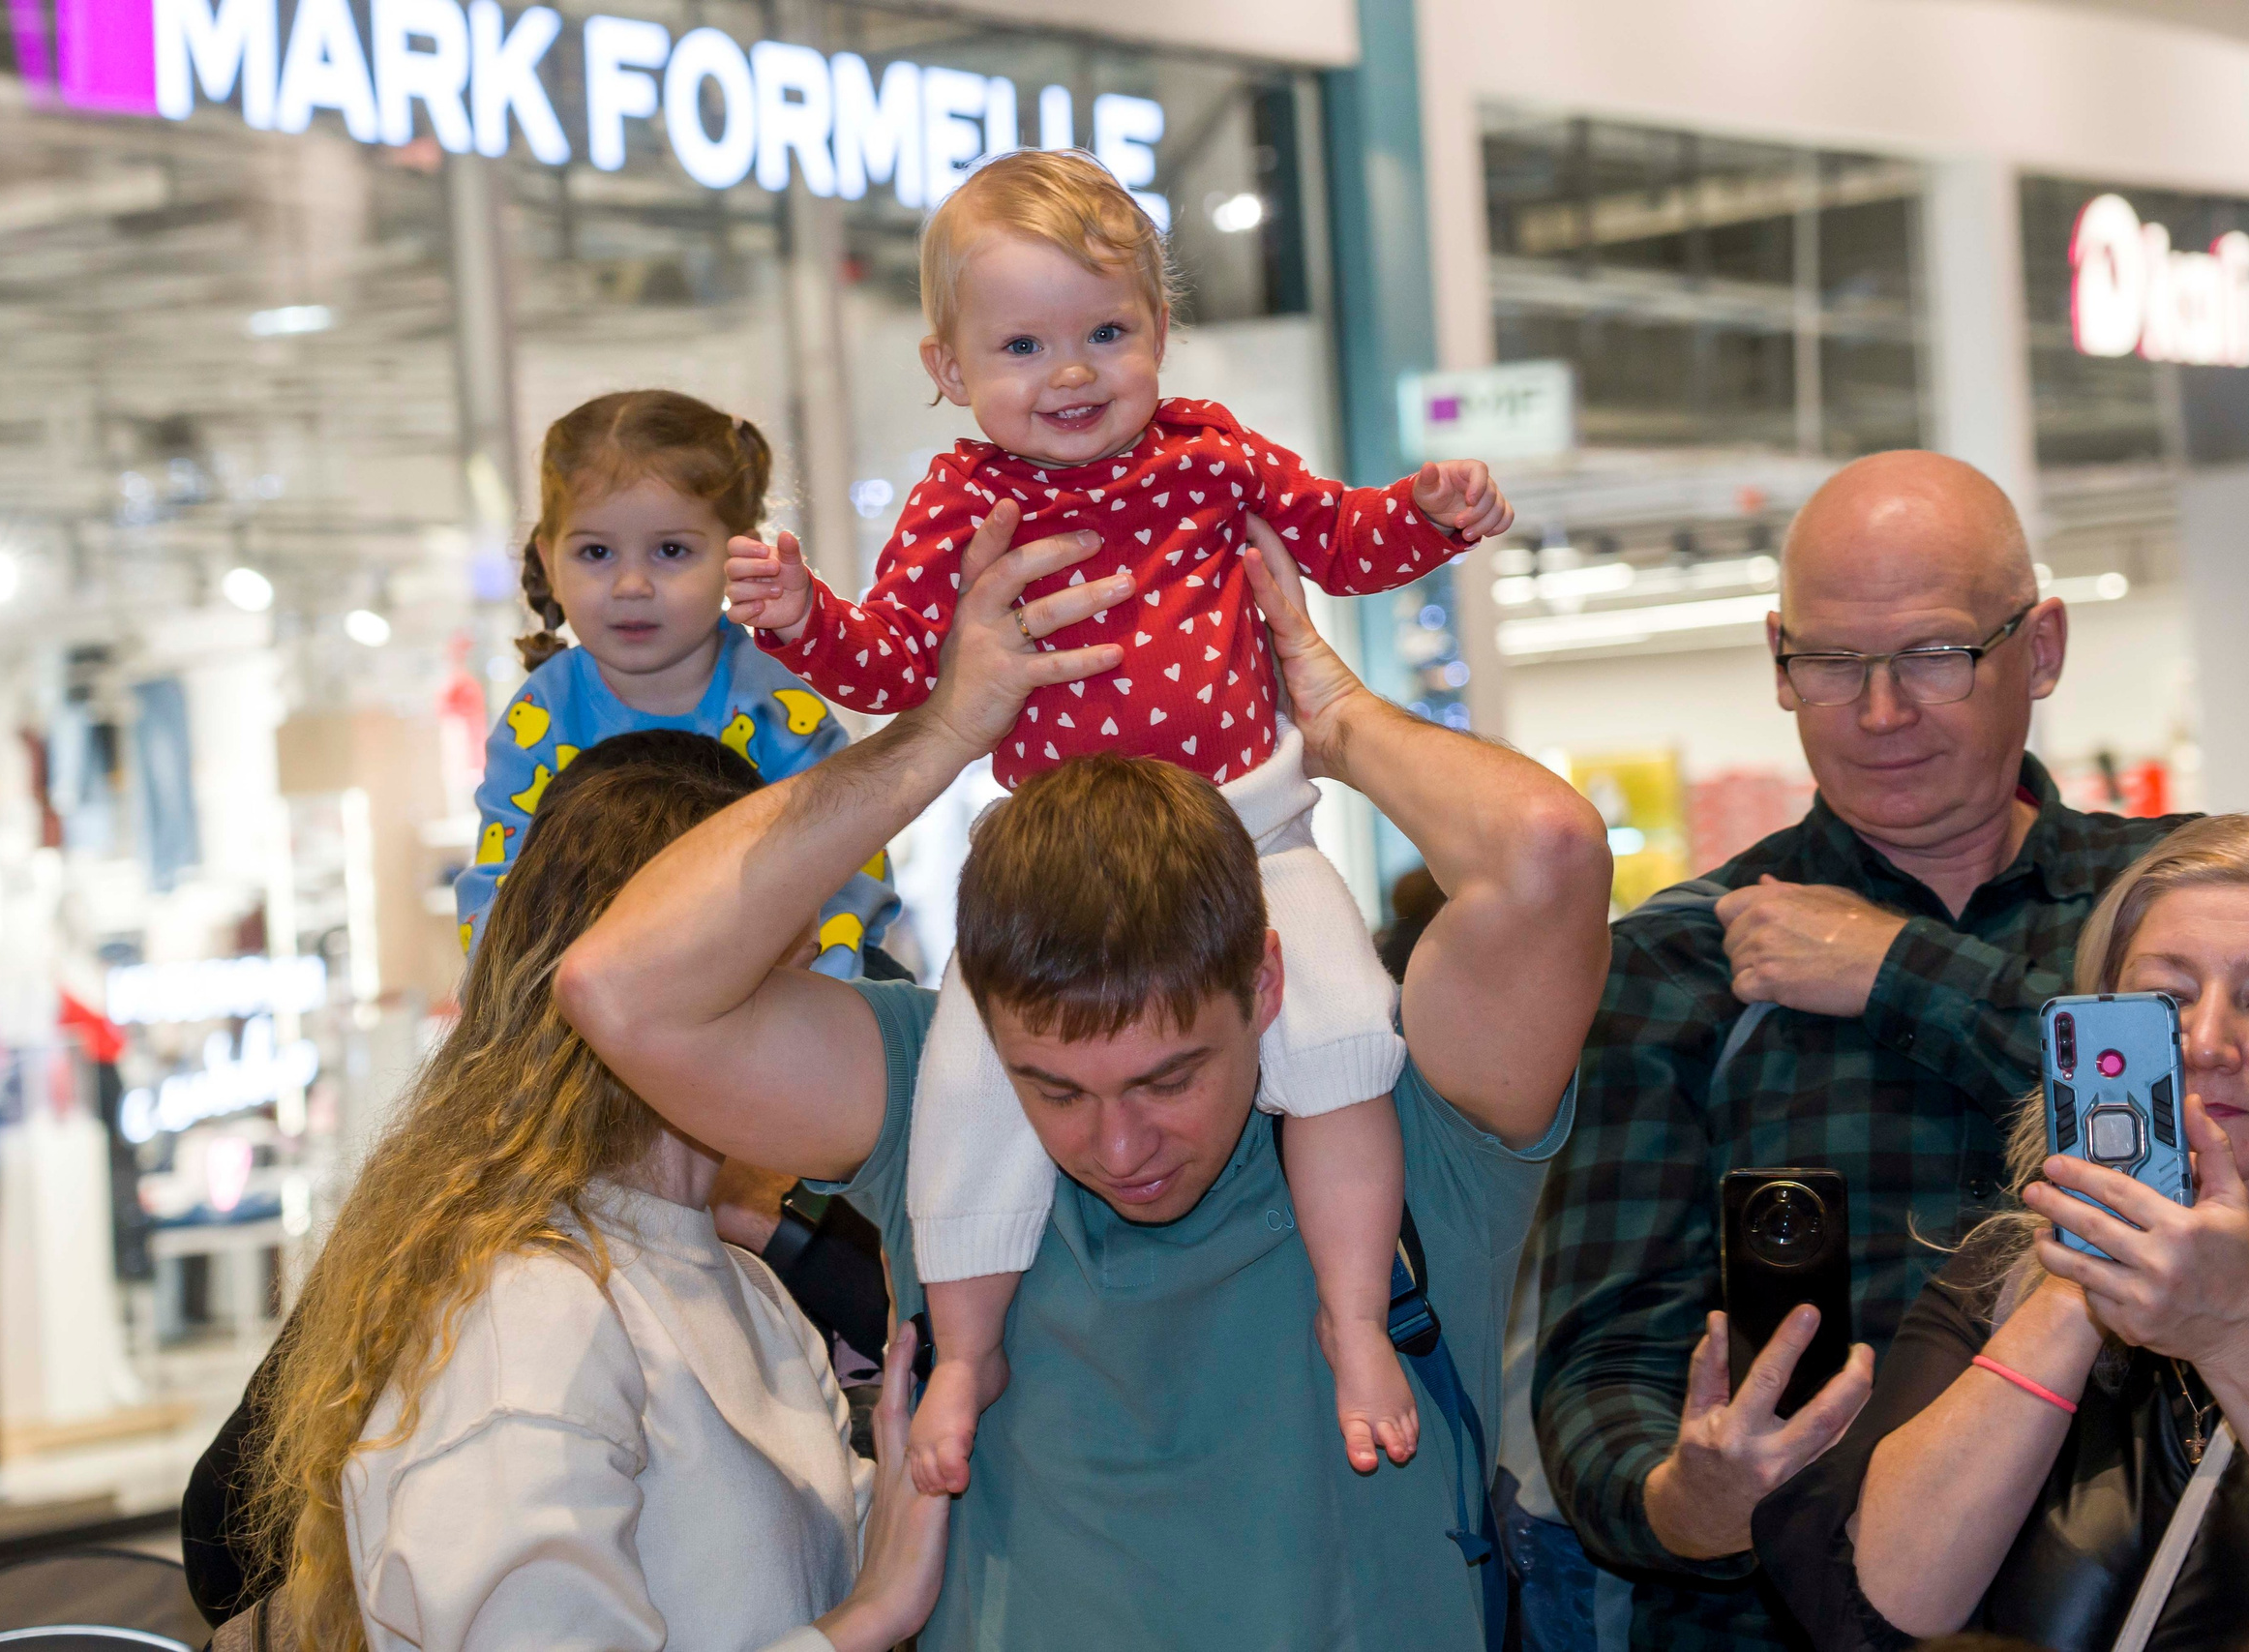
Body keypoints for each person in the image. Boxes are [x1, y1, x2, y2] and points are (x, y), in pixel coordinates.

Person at [557, 505, 1609, 1649]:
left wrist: (1332, 719)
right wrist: (946, 728)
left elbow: (1544, 852)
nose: (1117, 1147)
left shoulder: (1410, 1116)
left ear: (1264, 987)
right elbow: (622, 989)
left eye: (1169, 1077)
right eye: (1052, 1089)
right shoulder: (936, 1102)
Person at [723, 147, 1517, 1493]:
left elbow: (1337, 538)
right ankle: (965, 1353)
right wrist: (804, 615)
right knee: (976, 1088)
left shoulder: (1211, 453)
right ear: (948, 366)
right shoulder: (964, 502)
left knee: (1339, 1040)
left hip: (1250, 831)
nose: (1072, 371)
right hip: (1061, 858)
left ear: (1159, 330)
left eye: (1107, 330)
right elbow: (893, 665)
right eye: (1023, 343)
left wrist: (1428, 517)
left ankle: (1352, 1312)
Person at [1531, 450, 2196, 1650]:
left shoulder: (2178, 904)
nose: (1880, 712)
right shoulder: (1681, 964)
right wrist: (1686, 1497)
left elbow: (2208, 1145)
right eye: (1832, 664)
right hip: (1778, 1613)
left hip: (2146, 1601)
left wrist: (1899, 973)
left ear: (2039, 649)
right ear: (1779, 660)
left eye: (1935, 656)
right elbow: (1605, 1362)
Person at [230, 736, 949, 1652]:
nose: (809, 1032)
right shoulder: (531, 1305)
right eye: (790, 984)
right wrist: (865, 1619)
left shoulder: (747, 1292)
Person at [1756, 814, 2249, 1651]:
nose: (2204, 1044)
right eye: (2161, 1004)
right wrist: (2086, 1266)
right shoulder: (2004, 1274)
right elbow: (1884, 1607)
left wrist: (2243, 1332)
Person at [456, 388, 896, 975]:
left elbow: (849, 855)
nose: (631, 584)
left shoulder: (772, 700)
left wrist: (823, 982)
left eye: (669, 550)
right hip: (600, 999)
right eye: (595, 552)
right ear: (549, 560)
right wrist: (533, 1000)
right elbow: (497, 890)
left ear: (738, 557)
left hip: (769, 986)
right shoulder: (541, 715)